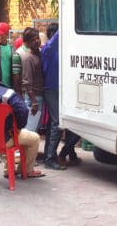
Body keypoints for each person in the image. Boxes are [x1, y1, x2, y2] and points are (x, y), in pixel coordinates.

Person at [0, 65, 44, 178]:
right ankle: (26, 170)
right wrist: (18, 127)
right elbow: (22, 110)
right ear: (0, 78)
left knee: (9, 134)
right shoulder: (7, 93)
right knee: (34, 138)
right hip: (6, 139)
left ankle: (9, 169)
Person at [42, 24, 69, 170]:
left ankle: (49, 155)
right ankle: (50, 158)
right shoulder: (48, 49)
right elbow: (58, 36)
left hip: (58, 89)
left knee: (54, 124)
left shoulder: (58, 50)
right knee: (56, 123)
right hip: (51, 89)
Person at [20, 27, 44, 133]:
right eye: (33, 40)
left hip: (39, 95)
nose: (36, 41)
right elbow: (26, 82)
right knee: (30, 130)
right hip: (33, 97)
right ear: (27, 43)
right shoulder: (28, 58)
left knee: (35, 127)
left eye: (37, 38)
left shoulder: (39, 54)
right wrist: (33, 101)